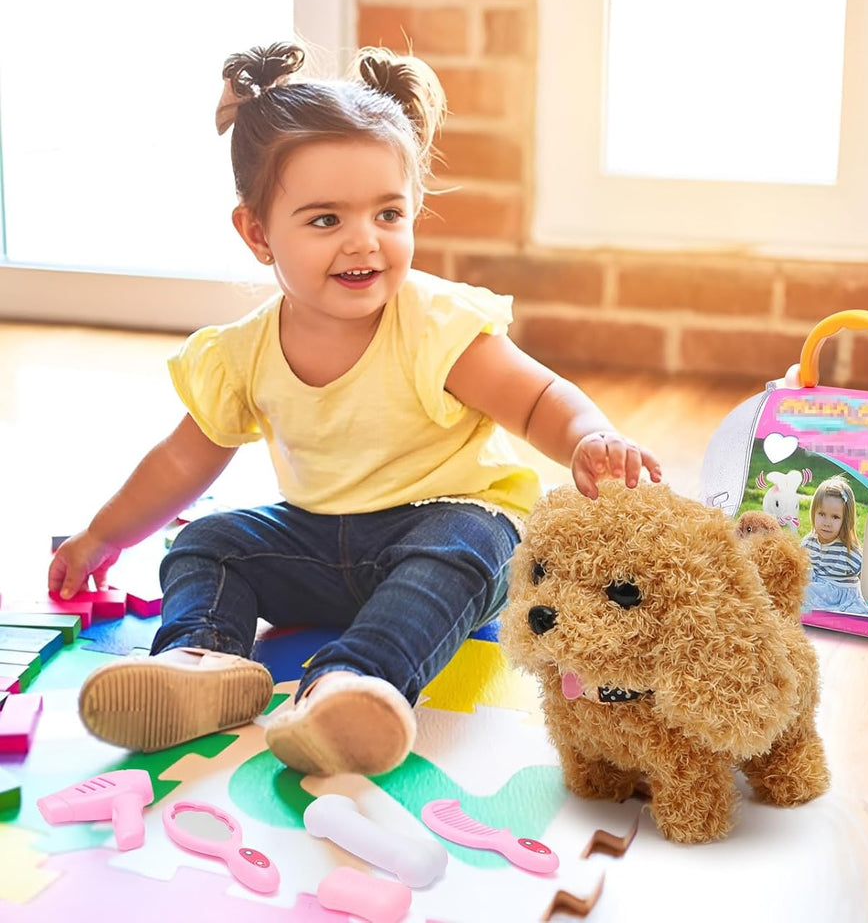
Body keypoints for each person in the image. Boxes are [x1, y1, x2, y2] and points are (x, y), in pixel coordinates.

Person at [48, 41, 662, 777]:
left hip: (445, 518)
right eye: (325, 220)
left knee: (473, 543)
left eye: (388, 212)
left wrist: (589, 438)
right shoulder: (243, 352)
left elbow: (535, 399)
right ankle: (201, 660)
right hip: (317, 539)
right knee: (205, 541)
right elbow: (184, 458)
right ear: (256, 233)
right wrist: (100, 536)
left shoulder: (434, 325)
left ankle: (352, 685)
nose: (363, 241)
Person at [799, 475, 868, 617]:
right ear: (813, 513)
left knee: (804, 592)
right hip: (817, 589)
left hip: (840, 596)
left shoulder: (849, 552)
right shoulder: (808, 542)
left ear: (845, 520)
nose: (827, 522)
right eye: (822, 514)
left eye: (835, 517)